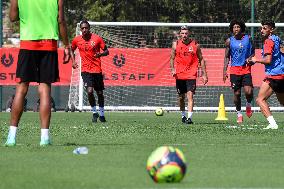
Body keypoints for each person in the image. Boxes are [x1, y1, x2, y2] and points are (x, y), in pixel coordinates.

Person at [5, 0, 73, 146]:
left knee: (21, 89)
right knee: (45, 90)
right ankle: (44, 138)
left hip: (28, 44)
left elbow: (12, 17)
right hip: (49, 45)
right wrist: (67, 45)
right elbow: (61, 21)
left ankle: (11, 137)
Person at [71, 20, 109, 123]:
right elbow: (71, 49)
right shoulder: (76, 40)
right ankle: (94, 112)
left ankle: (101, 114)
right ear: (80, 29)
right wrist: (73, 61)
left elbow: (107, 51)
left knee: (100, 93)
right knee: (89, 91)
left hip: (97, 70)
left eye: (86, 28)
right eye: (82, 28)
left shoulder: (97, 38)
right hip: (85, 70)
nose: (84, 30)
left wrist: (100, 54)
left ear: (89, 28)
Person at [248, 20, 284, 129]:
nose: (262, 30)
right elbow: (282, 50)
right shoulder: (277, 39)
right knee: (283, 101)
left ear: (271, 29)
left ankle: (272, 124)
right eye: (261, 28)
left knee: (260, 100)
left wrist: (255, 60)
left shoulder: (268, 41)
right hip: (282, 74)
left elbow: (268, 60)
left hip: (273, 75)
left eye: (265, 28)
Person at [170, 25, 208, 124]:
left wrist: (204, 74)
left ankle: (190, 118)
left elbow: (201, 59)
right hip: (180, 75)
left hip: (191, 74)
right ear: (179, 34)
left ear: (189, 34)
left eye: (186, 33)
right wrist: (173, 69)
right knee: (181, 97)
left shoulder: (195, 45)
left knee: (190, 96)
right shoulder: (175, 44)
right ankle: (183, 116)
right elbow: (171, 58)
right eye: (182, 33)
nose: (184, 35)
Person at [223, 20, 255, 124]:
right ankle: (239, 114)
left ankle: (249, 104)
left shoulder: (248, 38)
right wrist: (224, 71)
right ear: (232, 29)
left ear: (241, 28)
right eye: (234, 27)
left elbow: (253, 52)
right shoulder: (229, 41)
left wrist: (250, 58)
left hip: (246, 69)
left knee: (248, 92)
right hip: (234, 70)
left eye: (238, 27)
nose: (236, 29)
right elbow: (227, 57)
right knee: (236, 94)